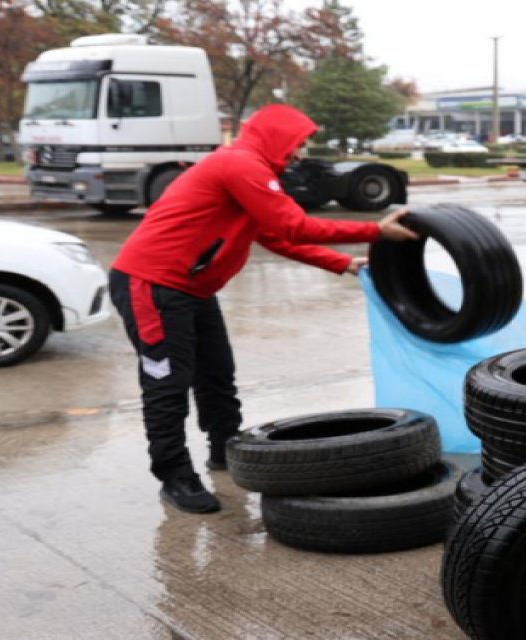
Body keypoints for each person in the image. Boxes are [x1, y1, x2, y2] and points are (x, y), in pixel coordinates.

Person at [107, 104, 417, 514]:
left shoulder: (250, 169)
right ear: (275, 136)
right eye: (297, 144)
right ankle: (175, 476)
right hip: (152, 285)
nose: (300, 153)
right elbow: (293, 226)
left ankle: (225, 450)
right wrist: (374, 230)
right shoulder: (240, 165)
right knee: (167, 385)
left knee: (217, 375)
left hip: (191, 287)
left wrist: (340, 261)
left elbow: (274, 236)